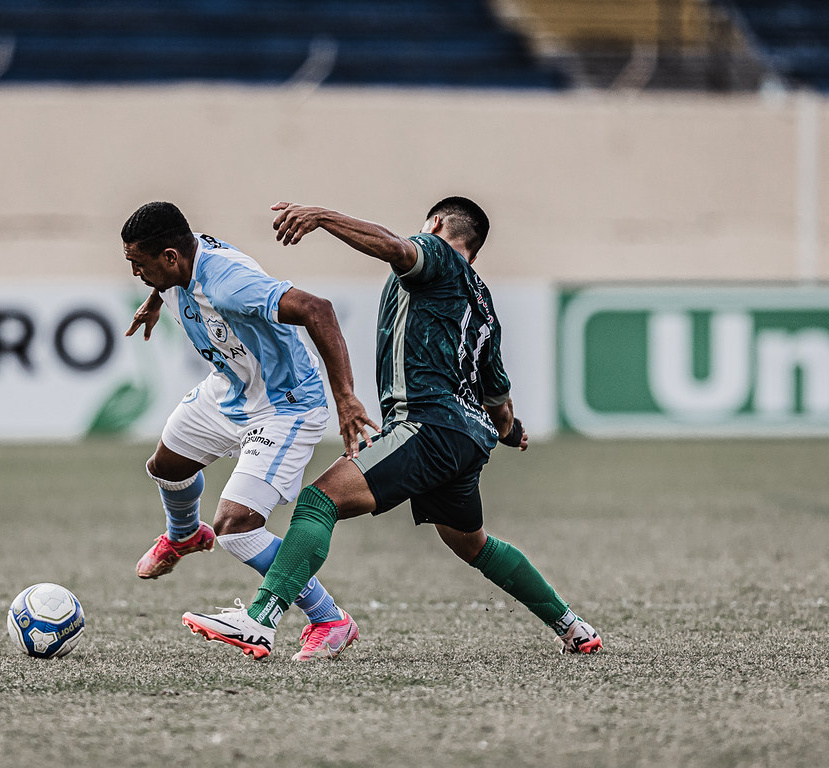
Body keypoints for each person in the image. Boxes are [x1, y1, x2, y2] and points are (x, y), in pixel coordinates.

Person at [182, 197, 603, 659]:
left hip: (427, 425)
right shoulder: (483, 306)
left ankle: (260, 620)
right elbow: (499, 406)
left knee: (320, 501)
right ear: (477, 254)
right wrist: (511, 430)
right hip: (467, 438)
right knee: (473, 544)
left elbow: (395, 249)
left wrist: (323, 218)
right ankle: (573, 626)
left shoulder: (436, 254)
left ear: (437, 224)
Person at [121, 201, 378, 661]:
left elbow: (318, 309)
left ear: (170, 258)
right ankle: (183, 536)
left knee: (237, 529)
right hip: (230, 392)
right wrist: (155, 297)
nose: (136, 273)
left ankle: (330, 618)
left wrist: (345, 397)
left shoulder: (229, 284)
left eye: (139, 266)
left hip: (285, 406)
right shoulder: (179, 260)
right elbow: (179, 256)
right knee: (167, 466)